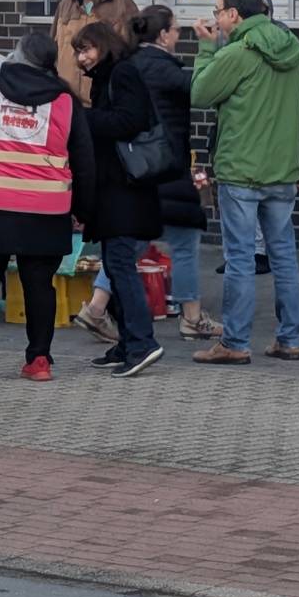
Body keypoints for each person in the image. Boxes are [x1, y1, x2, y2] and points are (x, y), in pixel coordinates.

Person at [0, 31, 97, 383]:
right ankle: (39, 360)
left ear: (17, 55)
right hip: (46, 210)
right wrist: (84, 212)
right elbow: (86, 164)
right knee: (39, 285)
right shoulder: (64, 101)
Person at [189, 0, 299, 365]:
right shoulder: (295, 52)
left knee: (241, 258)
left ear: (234, 15)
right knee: (284, 257)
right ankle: (289, 339)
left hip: (240, 171)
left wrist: (204, 49)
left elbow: (198, 93)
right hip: (283, 172)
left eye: (217, 11)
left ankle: (235, 342)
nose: (215, 19)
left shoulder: (236, 54)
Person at [65, 22, 167, 378]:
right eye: (78, 51)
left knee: (121, 264)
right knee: (114, 262)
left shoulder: (122, 73)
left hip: (125, 190)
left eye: (87, 49)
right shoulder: (108, 76)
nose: (82, 57)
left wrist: (85, 118)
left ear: (104, 46)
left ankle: (142, 343)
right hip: (115, 190)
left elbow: (129, 121)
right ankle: (127, 342)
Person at [130, 6, 219, 338]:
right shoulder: (163, 68)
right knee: (185, 239)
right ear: (163, 34)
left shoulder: (130, 64)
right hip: (168, 165)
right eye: (177, 30)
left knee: (134, 241)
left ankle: (96, 305)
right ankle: (191, 316)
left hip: (139, 165)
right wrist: (208, 47)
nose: (179, 36)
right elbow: (201, 87)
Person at [55, 0, 139, 104]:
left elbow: (132, 54)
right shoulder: (66, 5)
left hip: (102, 101)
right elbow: (53, 50)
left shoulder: (123, 5)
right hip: (66, 101)